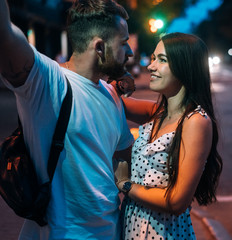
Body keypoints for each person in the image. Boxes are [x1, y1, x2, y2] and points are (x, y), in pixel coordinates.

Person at [0, 0, 136, 239]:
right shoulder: (46, 82)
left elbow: (125, 158)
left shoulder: (112, 95)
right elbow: (5, 35)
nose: (130, 51)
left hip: (112, 232)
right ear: (100, 47)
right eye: (124, 43)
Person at [114, 32, 223, 239]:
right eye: (154, 58)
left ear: (185, 67)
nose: (151, 66)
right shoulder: (158, 113)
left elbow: (177, 201)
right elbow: (112, 99)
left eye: (162, 60)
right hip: (132, 229)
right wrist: (121, 78)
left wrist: (125, 184)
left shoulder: (195, 121)